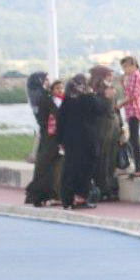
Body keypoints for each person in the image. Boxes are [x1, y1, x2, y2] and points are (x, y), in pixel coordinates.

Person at [56, 74, 109, 209]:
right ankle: (81, 196)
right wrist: (101, 96)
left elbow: (60, 122)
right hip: (87, 141)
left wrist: (60, 141)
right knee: (86, 168)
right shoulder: (88, 99)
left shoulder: (67, 101)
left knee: (70, 169)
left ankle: (67, 199)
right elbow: (102, 109)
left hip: (70, 141)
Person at [24, 79, 62, 206]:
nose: (47, 81)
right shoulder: (45, 98)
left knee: (47, 166)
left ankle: (41, 194)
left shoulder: (39, 97)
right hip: (50, 137)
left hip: (48, 137)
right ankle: (38, 194)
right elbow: (55, 115)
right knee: (46, 167)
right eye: (45, 80)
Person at [88, 65, 122, 201]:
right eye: (108, 75)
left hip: (112, 127)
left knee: (111, 158)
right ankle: (103, 189)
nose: (111, 78)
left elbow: (115, 109)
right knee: (102, 158)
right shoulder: (95, 90)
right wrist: (107, 98)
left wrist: (122, 126)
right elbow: (102, 108)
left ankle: (110, 188)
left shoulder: (109, 89)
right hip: (101, 128)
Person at [119, 56, 140, 179]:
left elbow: (134, 95)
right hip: (130, 111)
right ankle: (137, 167)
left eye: (125, 66)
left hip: (134, 111)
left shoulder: (136, 76)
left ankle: (139, 169)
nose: (124, 69)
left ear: (132, 65)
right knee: (132, 140)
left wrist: (120, 104)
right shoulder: (130, 77)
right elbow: (129, 93)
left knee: (134, 140)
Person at [24, 72, 48, 163]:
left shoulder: (33, 91)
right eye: (45, 79)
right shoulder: (38, 93)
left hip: (40, 117)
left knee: (41, 135)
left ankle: (35, 155)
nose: (47, 81)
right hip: (43, 117)